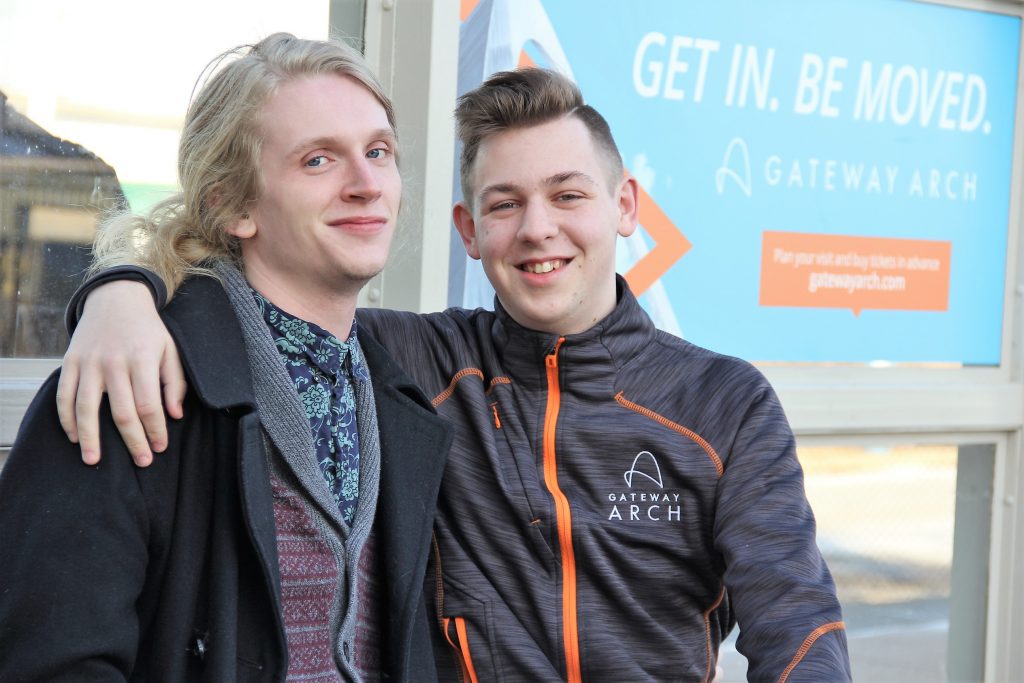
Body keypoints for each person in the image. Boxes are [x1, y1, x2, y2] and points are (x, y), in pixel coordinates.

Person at [55, 68, 852, 681]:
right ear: (469, 230)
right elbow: (262, 299)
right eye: (504, 204)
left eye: (567, 194)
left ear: (625, 205)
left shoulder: (723, 401)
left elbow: (797, 620)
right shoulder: (414, 362)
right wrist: (121, 289)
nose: (538, 228)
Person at [0, 33, 452, 682]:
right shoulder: (128, 379)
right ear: (231, 205)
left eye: (379, 151)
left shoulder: (398, 396)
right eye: (319, 160)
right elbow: (51, 661)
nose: (366, 183)